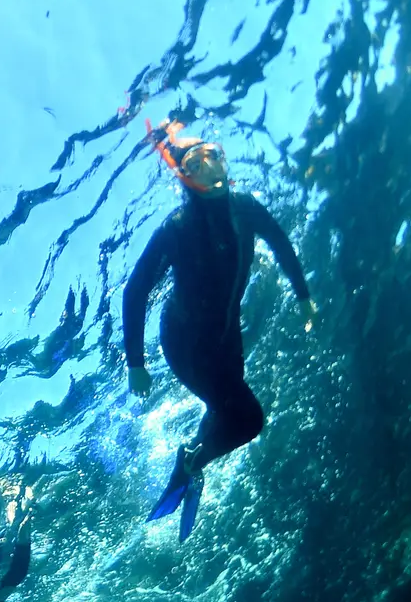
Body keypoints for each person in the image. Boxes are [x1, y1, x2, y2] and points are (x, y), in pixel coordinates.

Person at [122, 120, 316, 540]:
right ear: (184, 177)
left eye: (215, 155)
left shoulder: (245, 208)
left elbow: (281, 243)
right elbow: (135, 291)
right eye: (197, 161)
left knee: (225, 408)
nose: (212, 165)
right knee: (248, 419)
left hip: (227, 336)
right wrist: (136, 364)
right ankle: (193, 461)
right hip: (186, 345)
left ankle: (190, 457)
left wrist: (303, 295)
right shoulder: (177, 229)